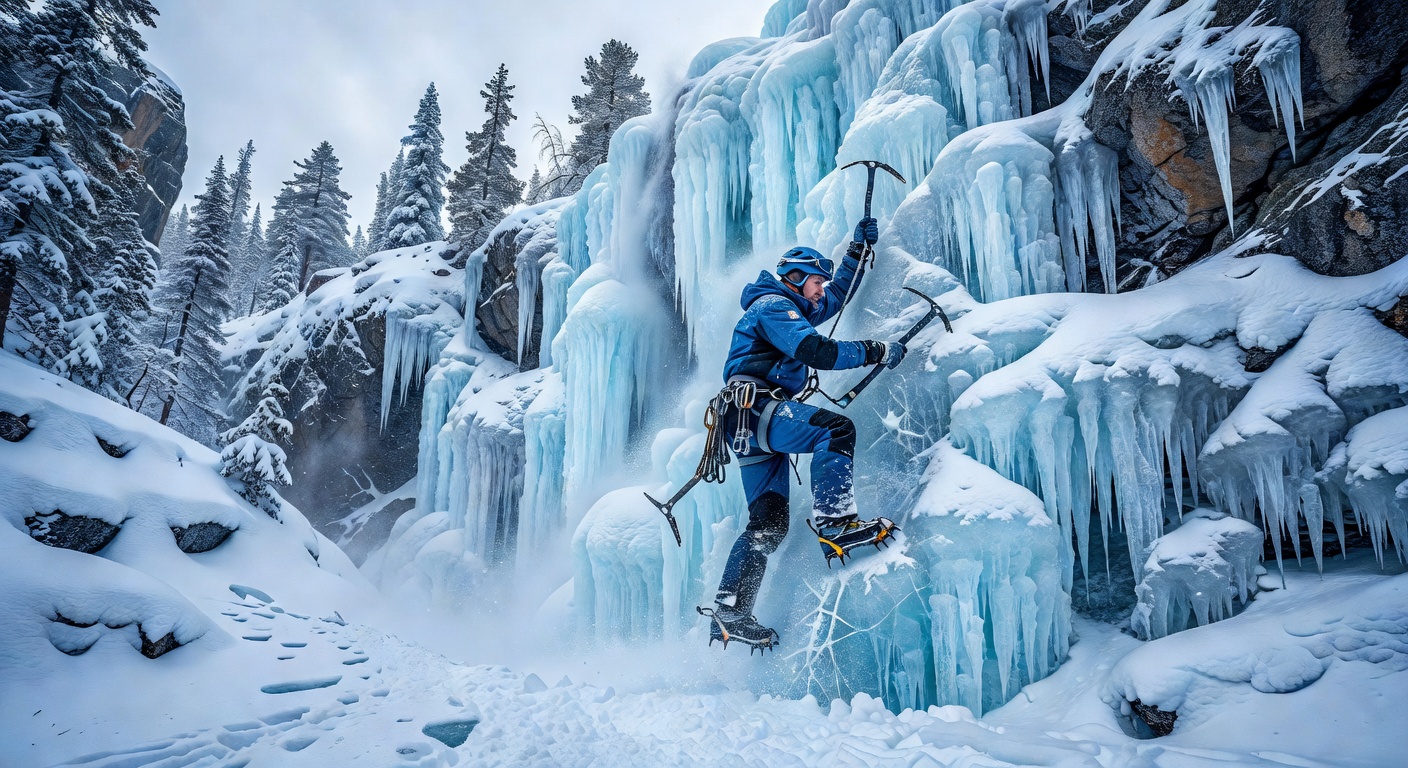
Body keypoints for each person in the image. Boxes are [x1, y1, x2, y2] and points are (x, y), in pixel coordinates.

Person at [703, 216, 905, 652]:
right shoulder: (773, 307)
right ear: (795, 278)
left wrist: (856, 252)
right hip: (758, 409)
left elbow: (835, 298)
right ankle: (838, 524)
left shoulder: (791, 306)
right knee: (835, 430)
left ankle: (730, 610)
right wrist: (877, 350)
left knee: (768, 523)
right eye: (815, 282)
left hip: (742, 424)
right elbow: (817, 351)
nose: (820, 290)